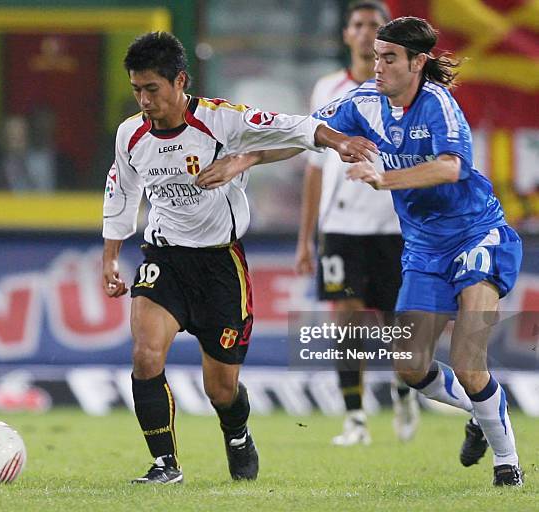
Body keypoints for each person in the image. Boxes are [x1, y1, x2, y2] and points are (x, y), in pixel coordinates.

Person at [199, 16, 524, 487]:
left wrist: (384, 178)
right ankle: (482, 408)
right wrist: (247, 157)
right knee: (411, 367)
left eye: (389, 58)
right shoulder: (363, 102)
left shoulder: (439, 106)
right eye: (376, 56)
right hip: (424, 248)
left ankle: (507, 465)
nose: (378, 66)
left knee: (470, 360)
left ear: (417, 62)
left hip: (477, 236)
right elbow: (305, 134)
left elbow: (451, 168)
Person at [101, 31, 377, 484]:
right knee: (146, 356)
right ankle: (165, 464)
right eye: (137, 89)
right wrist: (111, 258)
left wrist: (337, 140)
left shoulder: (221, 120)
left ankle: (237, 433)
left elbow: (295, 126)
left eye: (152, 88)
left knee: (221, 388)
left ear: (179, 81)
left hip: (219, 266)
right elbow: (121, 194)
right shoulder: (130, 135)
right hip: (164, 258)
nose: (144, 100)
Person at [296, 0, 418, 447]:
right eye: (359, 25)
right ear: (347, 34)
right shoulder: (328, 88)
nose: (367, 33)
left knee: (398, 326)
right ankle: (355, 419)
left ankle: (406, 391)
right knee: (346, 321)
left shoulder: (407, 88)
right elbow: (313, 168)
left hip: (395, 226)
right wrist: (305, 239)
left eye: (376, 26)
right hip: (342, 228)